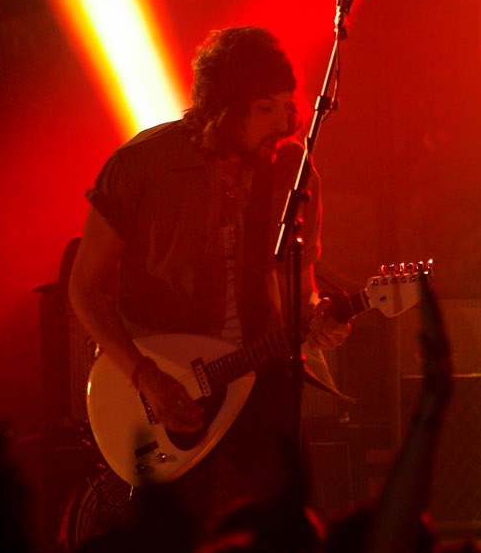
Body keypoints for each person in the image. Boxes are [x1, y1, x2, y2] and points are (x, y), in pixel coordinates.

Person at [68, 26, 350, 524]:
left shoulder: (292, 172)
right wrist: (145, 376)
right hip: (165, 389)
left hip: (259, 380)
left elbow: (299, 297)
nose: (284, 123)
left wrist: (320, 320)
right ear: (223, 108)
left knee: (283, 529)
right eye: (265, 108)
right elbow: (84, 289)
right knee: (174, 540)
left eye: (287, 106)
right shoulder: (142, 166)